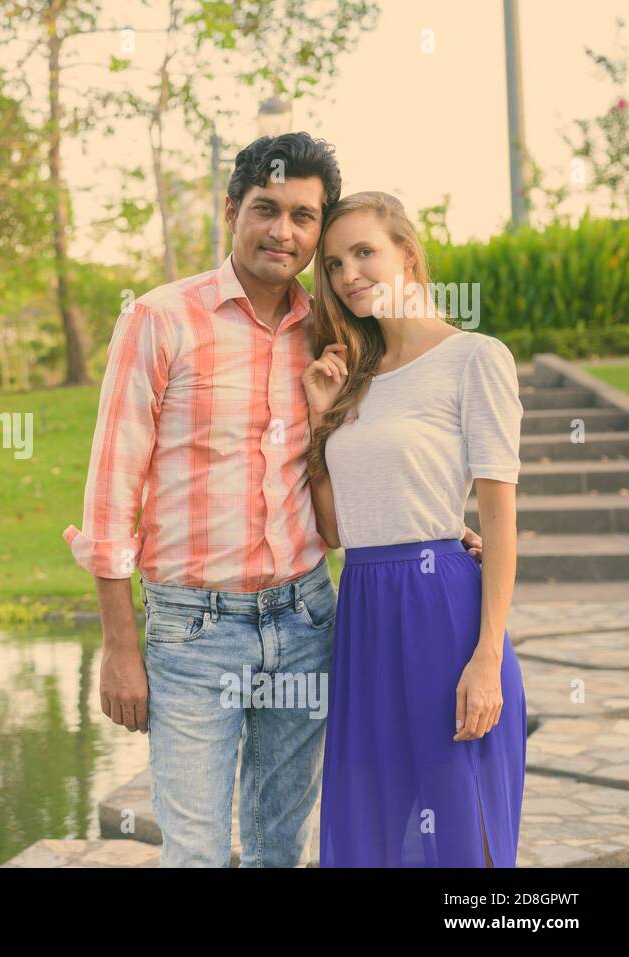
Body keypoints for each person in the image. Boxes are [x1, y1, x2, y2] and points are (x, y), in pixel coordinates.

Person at [63, 133, 484, 866]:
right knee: (193, 850)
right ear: (232, 210)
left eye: (302, 216)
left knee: (277, 845)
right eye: (265, 209)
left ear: (318, 230)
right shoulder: (160, 320)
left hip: (305, 620)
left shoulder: (334, 332)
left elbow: (377, 454)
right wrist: (120, 646)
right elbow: (109, 497)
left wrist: (442, 535)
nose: (281, 231)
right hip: (192, 632)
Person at [305, 191, 526, 867]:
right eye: (336, 263)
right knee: (374, 831)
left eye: (364, 252)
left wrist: (486, 657)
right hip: (365, 614)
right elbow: (337, 529)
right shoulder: (353, 379)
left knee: (462, 834)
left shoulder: (474, 358)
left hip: (443, 612)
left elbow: (498, 516)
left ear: (406, 251)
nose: (349, 275)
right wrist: (319, 422)